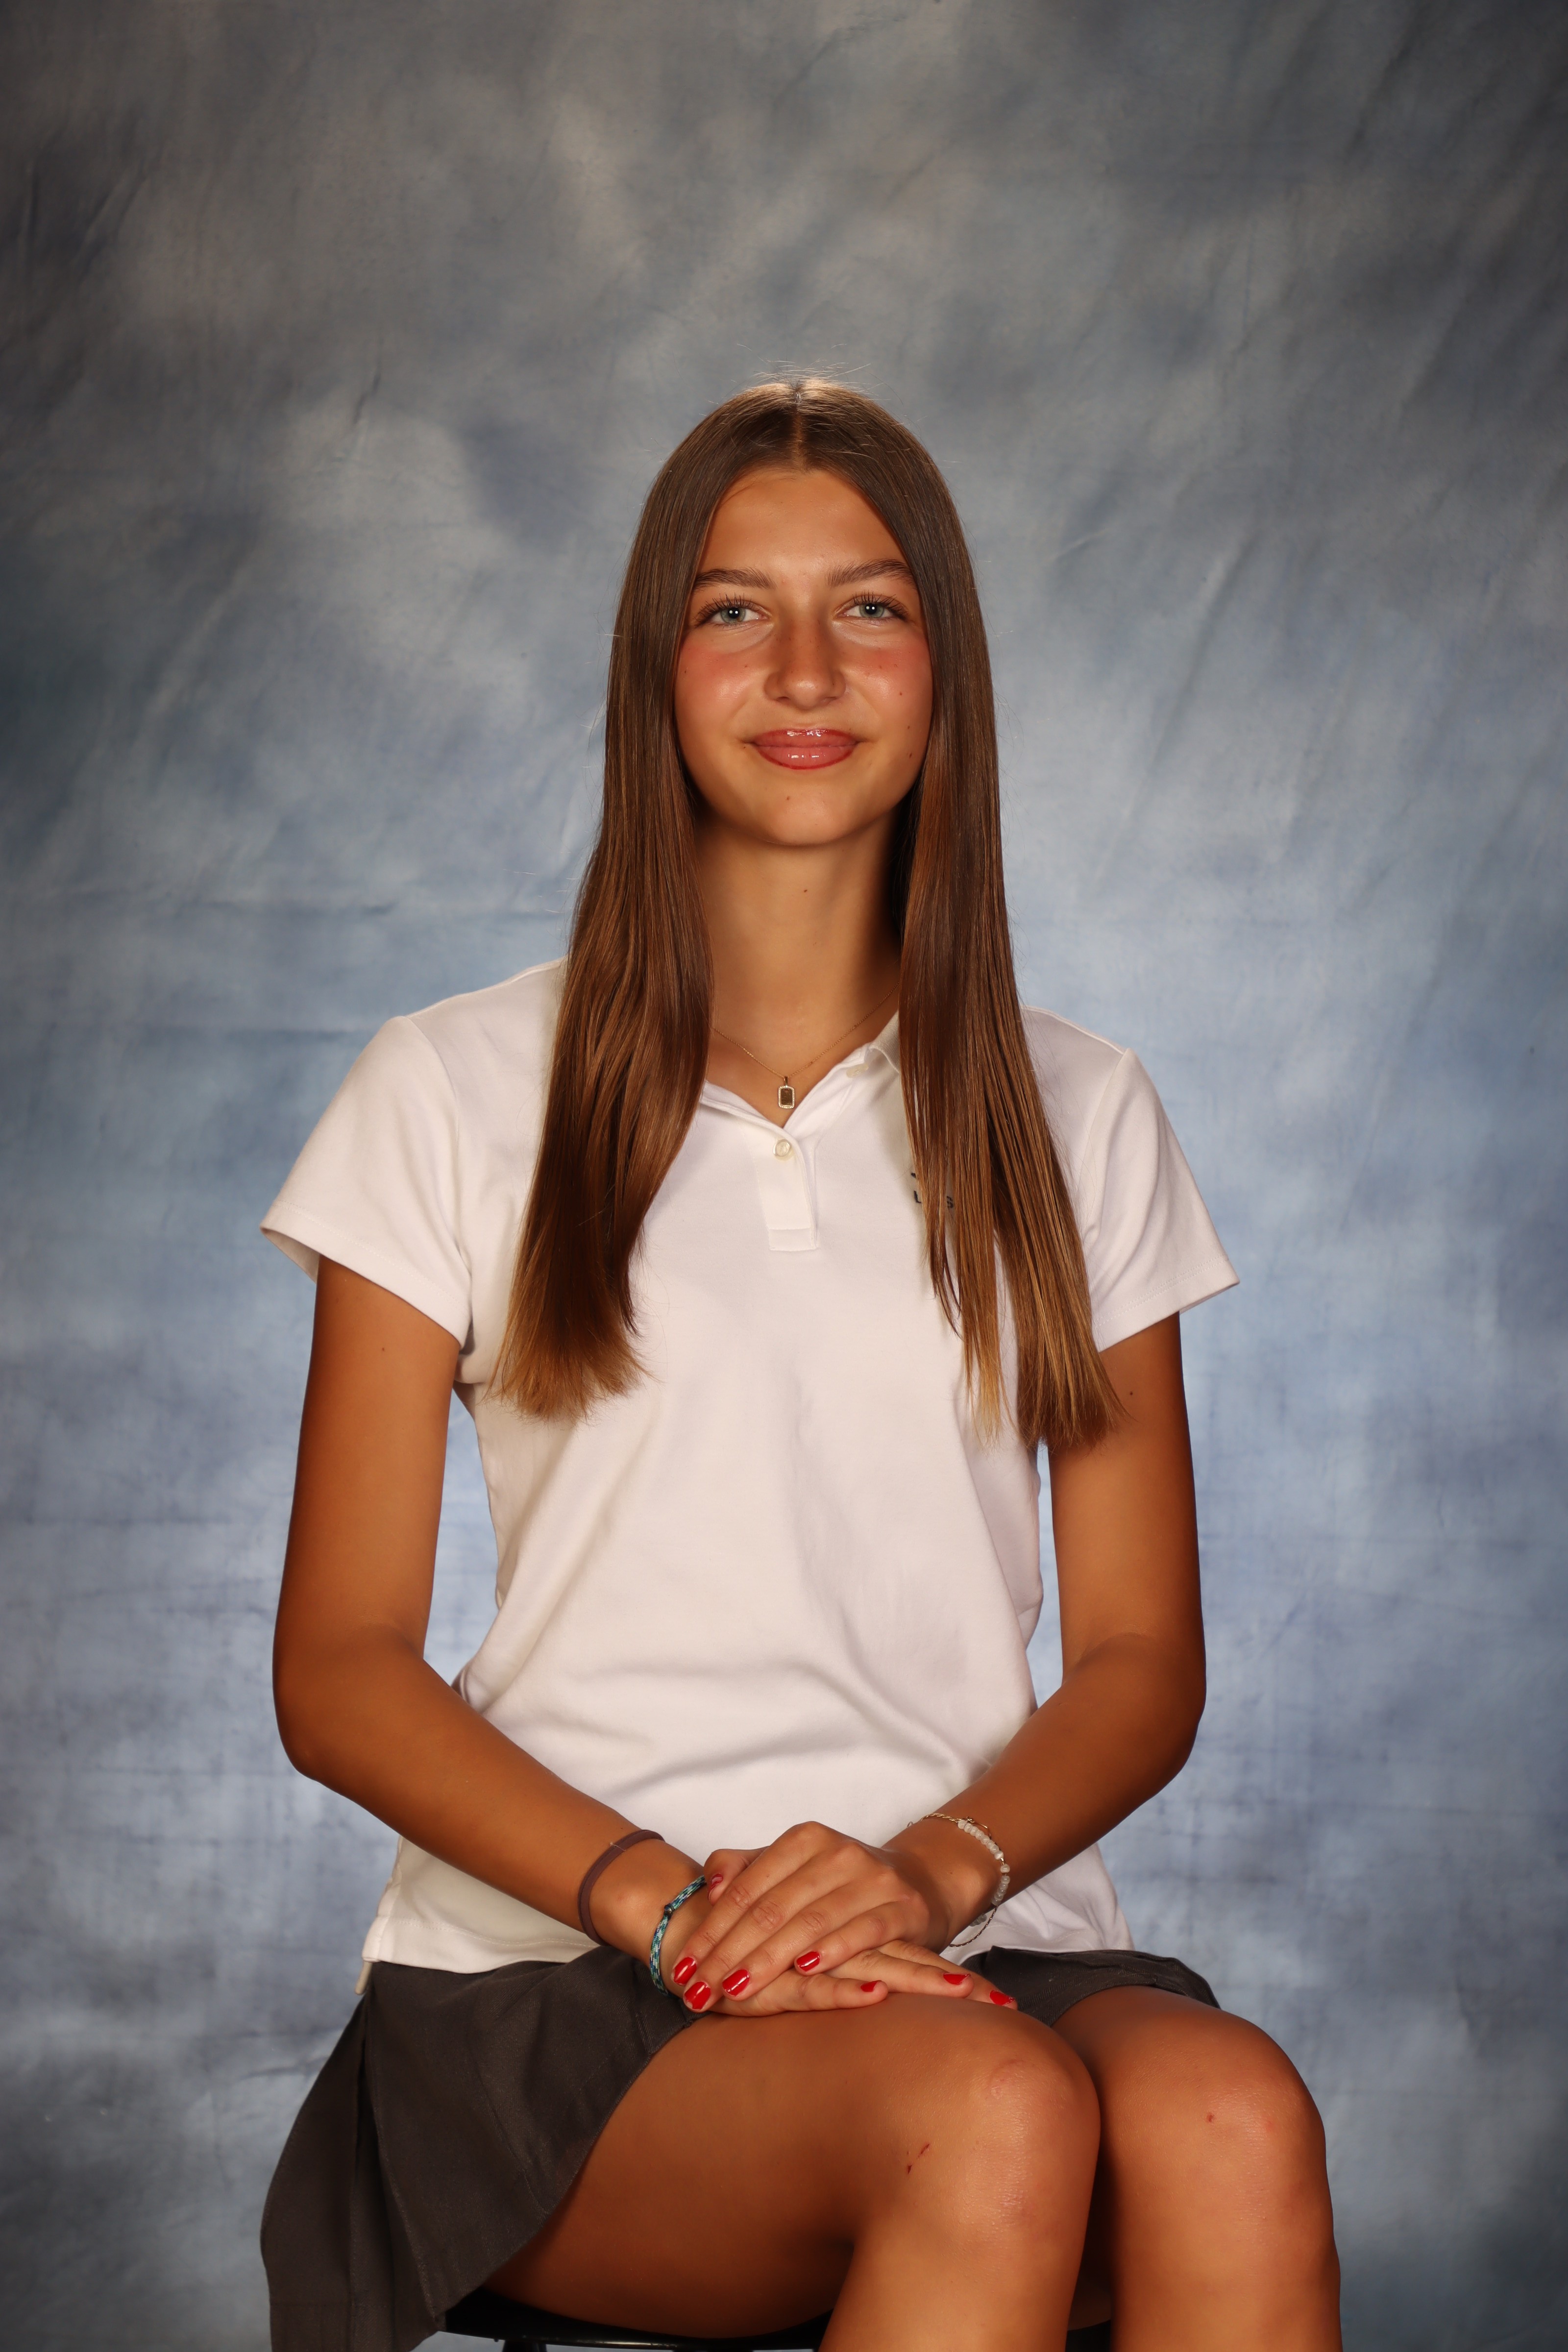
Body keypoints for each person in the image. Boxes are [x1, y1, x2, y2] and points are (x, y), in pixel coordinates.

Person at [259, 379, 1341, 2352]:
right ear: (655, 670)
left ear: (944, 672)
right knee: (987, 2117)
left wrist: (922, 1880)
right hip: (559, 1976)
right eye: (734, 610)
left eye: (870, 608)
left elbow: (1138, 1658)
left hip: (969, 1938)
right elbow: (336, 1670)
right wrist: (670, 1906)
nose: (806, 671)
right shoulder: (447, 1091)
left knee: (1231, 2116)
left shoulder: (1081, 1110)